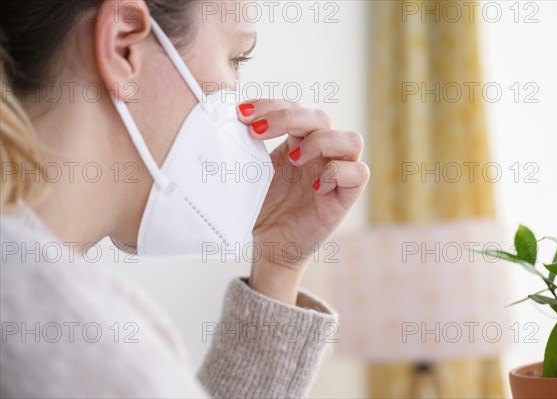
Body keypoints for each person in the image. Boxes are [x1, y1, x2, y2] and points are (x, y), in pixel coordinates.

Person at [0, 0, 369, 397]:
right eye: (235, 58)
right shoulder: (84, 345)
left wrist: (279, 267)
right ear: (123, 45)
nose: (237, 95)